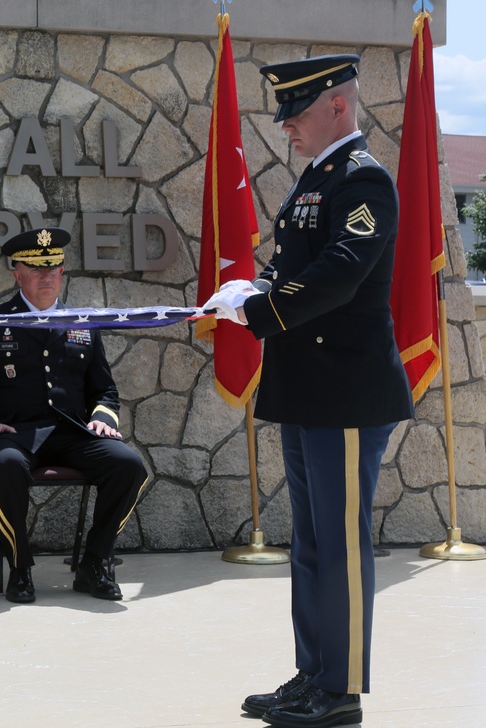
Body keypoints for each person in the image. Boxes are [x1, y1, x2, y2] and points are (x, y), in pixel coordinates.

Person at [205, 55, 414, 728]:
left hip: (346, 391)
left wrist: (260, 311)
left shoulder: (364, 180)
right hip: (307, 389)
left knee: (341, 543)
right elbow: (292, 263)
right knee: (311, 544)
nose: (286, 127)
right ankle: (312, 674)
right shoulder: (317, 180)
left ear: (337, 106)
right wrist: (251, 287)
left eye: (294, 114)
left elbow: (341, 274)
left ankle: (342, 689)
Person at [0, 228, 149, 604]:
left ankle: (94, 563)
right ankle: (20, 569)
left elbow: (104, 389)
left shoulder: (80, 321)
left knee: (129, 465)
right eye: (36, 269)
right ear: (16, 272)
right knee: (5, 465)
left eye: (52, 269)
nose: (46, 277)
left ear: (62, 272)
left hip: (72, 433)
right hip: (15, 434)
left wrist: (104, 419)